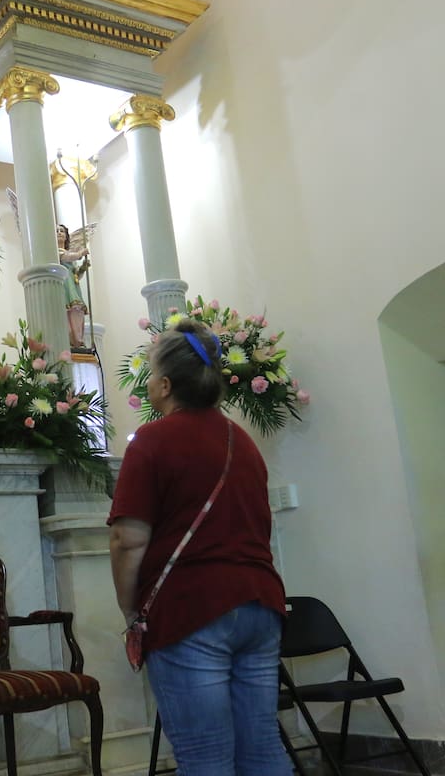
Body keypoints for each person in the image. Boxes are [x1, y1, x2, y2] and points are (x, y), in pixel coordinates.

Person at [108, 318, 290, 775]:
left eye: (152, 374)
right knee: (262, 748)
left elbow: (127, 540)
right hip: (260, 604)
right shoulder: (242, 441)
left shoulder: (151, 440)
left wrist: (131, 612)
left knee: (206, 756)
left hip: (193, 609)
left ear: (166, 385)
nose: (150, 383)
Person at [56, 224, 89, 349]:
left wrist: (83, 268)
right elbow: (66, 257)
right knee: (66, 313)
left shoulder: (70, 254)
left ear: (66, 236)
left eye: (62, 231)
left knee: (77, 313)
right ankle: (69, 341)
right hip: (64, 286)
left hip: (73, 288)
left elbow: (76, 275)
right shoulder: (56, 252)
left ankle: (78, 341)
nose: (59, 233)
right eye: (57, 231)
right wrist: (80, 253)